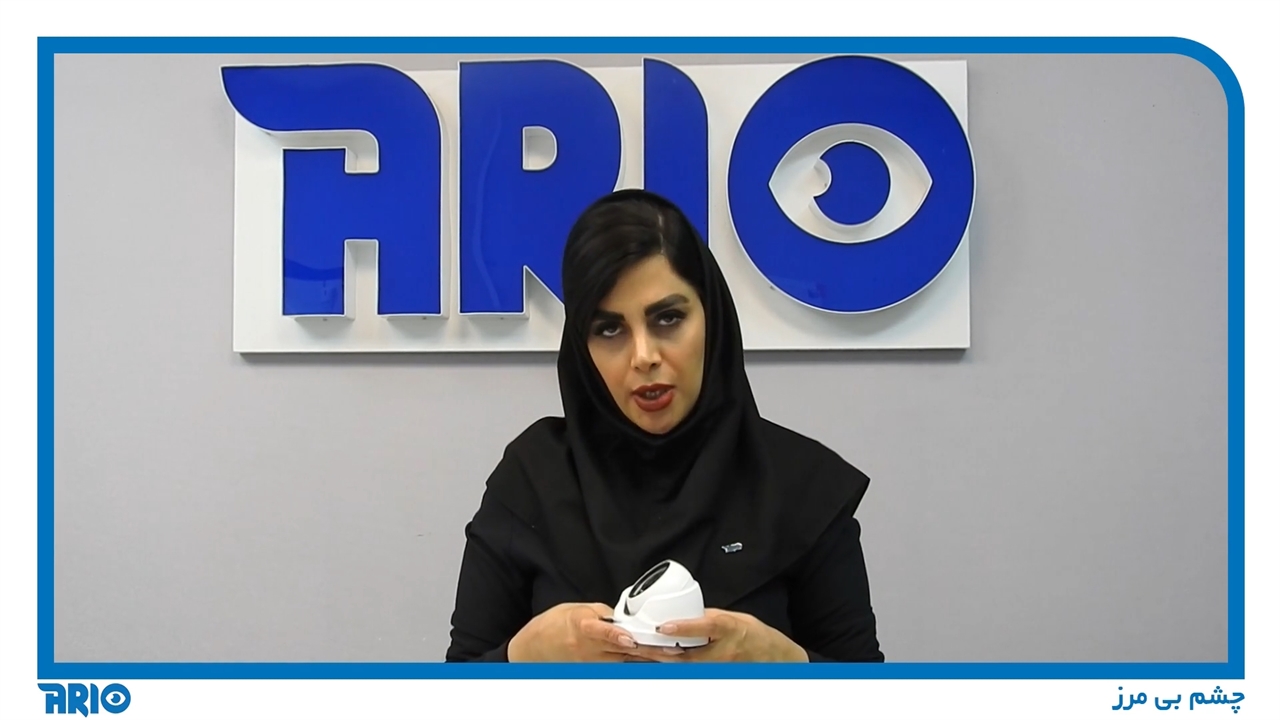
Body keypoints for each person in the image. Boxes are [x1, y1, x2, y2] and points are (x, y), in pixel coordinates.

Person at [445, 189, 884, 663]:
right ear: (581, 347)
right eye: (609, 329)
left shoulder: (802, 485)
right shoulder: (532, 478)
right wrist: (520, 656)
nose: (644, 356)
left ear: (712, 317)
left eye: (668, 318)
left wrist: (784, 663)